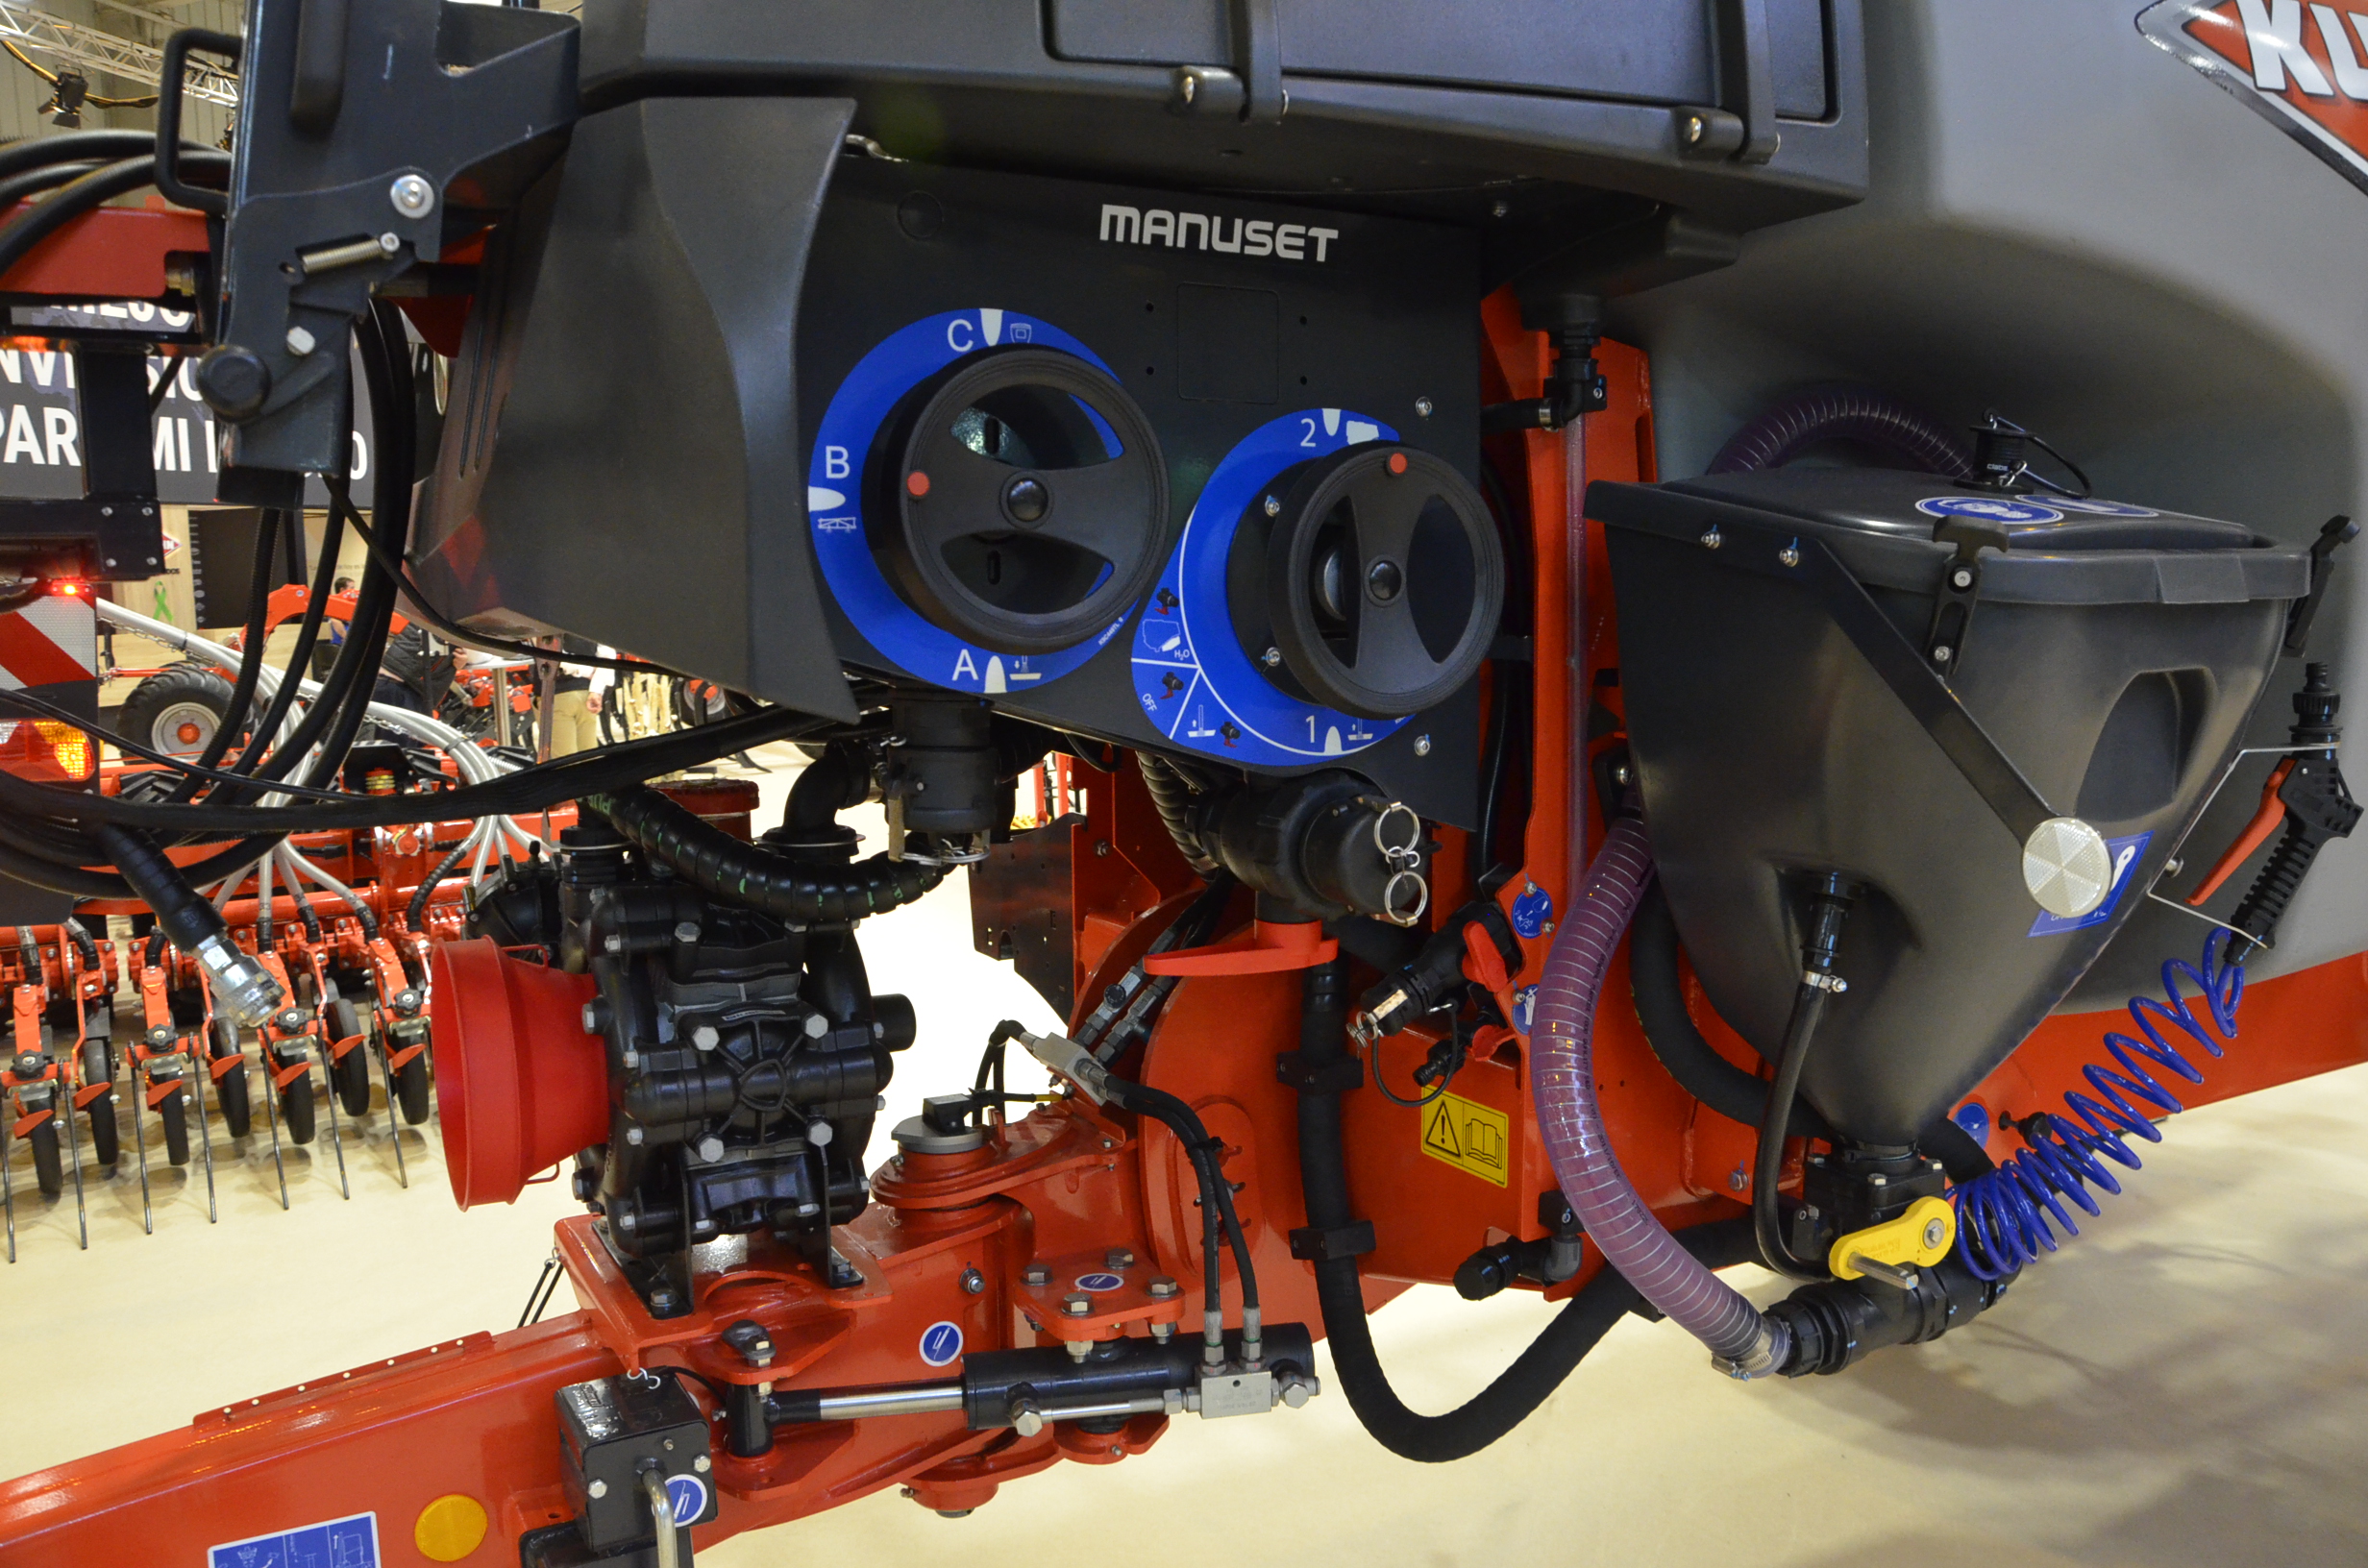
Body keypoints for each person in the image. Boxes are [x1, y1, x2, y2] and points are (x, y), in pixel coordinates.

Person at [546, 633, 602, 757]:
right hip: (587, 694)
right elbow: (607, 653)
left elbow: (550, 653)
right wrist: (596, 689)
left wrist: (586, 671)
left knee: (566, 761)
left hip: (557, 695)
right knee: (590, 758)